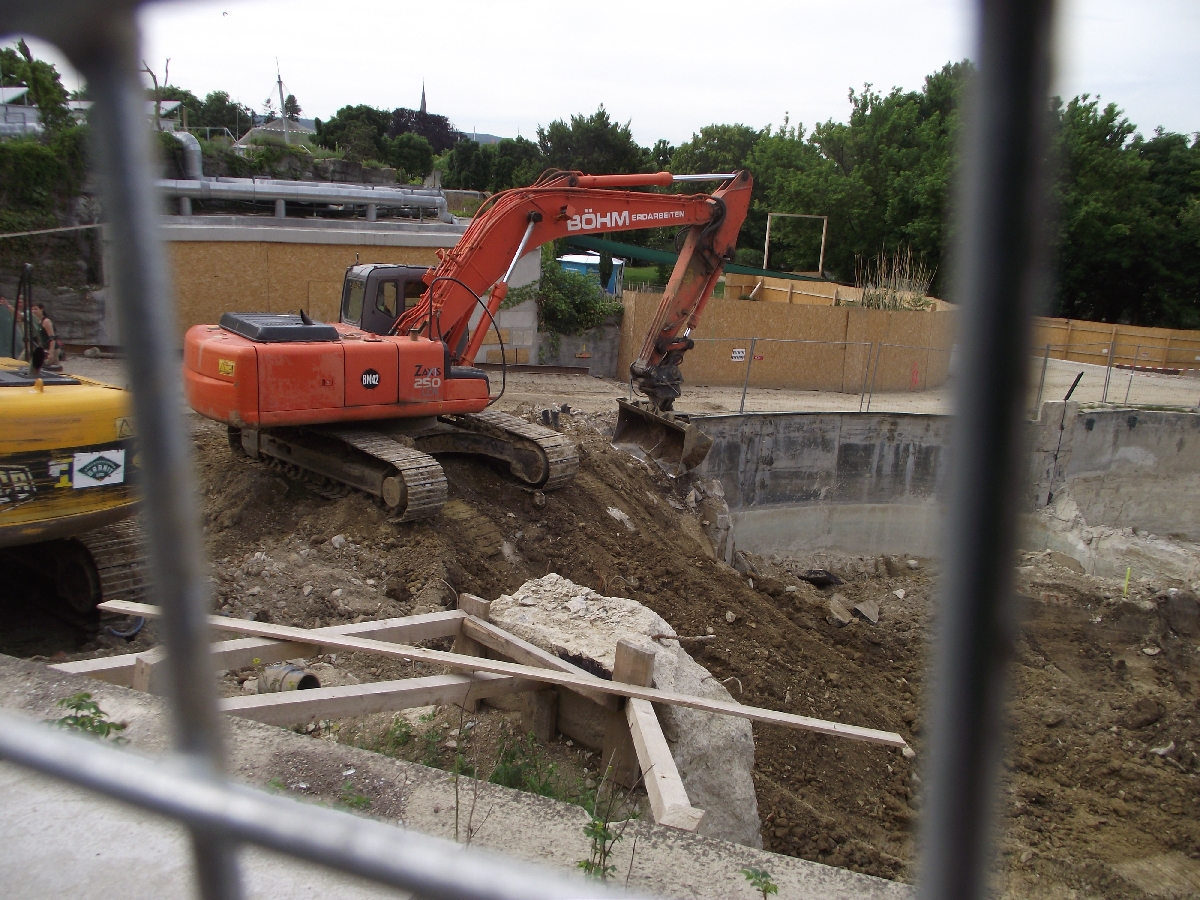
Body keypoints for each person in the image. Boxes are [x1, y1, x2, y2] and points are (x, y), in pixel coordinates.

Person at [30, 302, 62, 371]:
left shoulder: (46, 321)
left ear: (42, 309)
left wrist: (51, 352)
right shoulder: (38, 321)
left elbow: (52, 337)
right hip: (45, 348)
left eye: (36, 309)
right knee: (54, 369)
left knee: (47, 368)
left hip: (52, 348)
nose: (33, 311)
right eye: (32, 309)